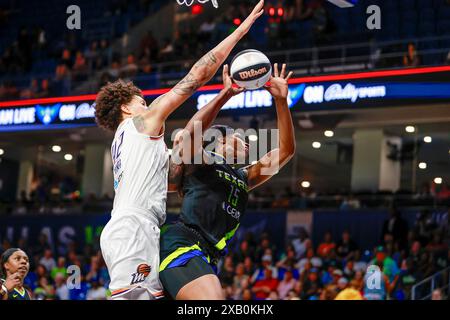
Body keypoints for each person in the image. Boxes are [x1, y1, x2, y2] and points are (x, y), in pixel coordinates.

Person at [95, 0, 265, 300]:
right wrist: (241, 32)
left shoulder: (136, 145)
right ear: (125, 106)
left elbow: (177, 176)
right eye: (141, 101)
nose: (148, 105)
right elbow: (196, 77)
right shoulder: (139, 123)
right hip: (133, 227)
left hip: (142, 228)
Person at [159, 62, 296, 299]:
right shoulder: (202, 162)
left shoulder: (246, 176)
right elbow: (191, 135)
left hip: (209, 254)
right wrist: (226, 94)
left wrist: (281, 101)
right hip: (183, 243)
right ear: (219, 142)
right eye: (237, 137)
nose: (245, 143)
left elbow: (286, 151)